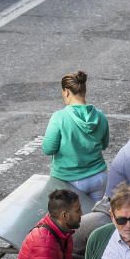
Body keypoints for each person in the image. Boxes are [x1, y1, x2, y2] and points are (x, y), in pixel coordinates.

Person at [42, 71, 110, 202]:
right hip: (98, 177)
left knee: (69, 220)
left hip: (68, 181)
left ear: (66, 92)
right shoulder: (100, 116)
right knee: (94, 219)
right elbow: (104, 144)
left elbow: (48, 149)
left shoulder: (59, 117)